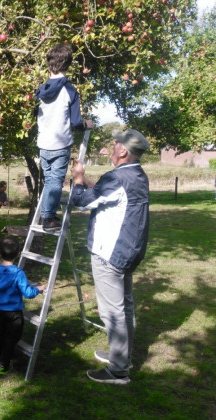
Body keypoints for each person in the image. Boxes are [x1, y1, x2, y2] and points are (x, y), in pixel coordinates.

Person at [70, 128, 150, 385]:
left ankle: (118, 370)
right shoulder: (137, 174)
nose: (112, 146)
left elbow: (80, 201)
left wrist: (78, 178)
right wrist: (94, 184)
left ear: (124, 151)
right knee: (124, 306)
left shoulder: (115, 178)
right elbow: (111, 196)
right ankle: (122, 357)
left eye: (116, 143)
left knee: (112, 312)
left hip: (110, 253)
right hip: (130, 251)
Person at [35, 43, 93, 232]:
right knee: (54, 181)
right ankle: (48, 218)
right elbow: (76, 122)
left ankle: (47, 213)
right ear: (68, 64)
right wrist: (86, 124)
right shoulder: (69, 90)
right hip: (60, 144)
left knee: (49, 180)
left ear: (48, 64)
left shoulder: (41, 90)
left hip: (43, 143)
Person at [0, 237, 46, 374]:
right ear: (19, 254)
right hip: (14, 314)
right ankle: (4, 365)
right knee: (10, 339)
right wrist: (38, 288)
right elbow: (28, 293)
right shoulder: (18, 273)